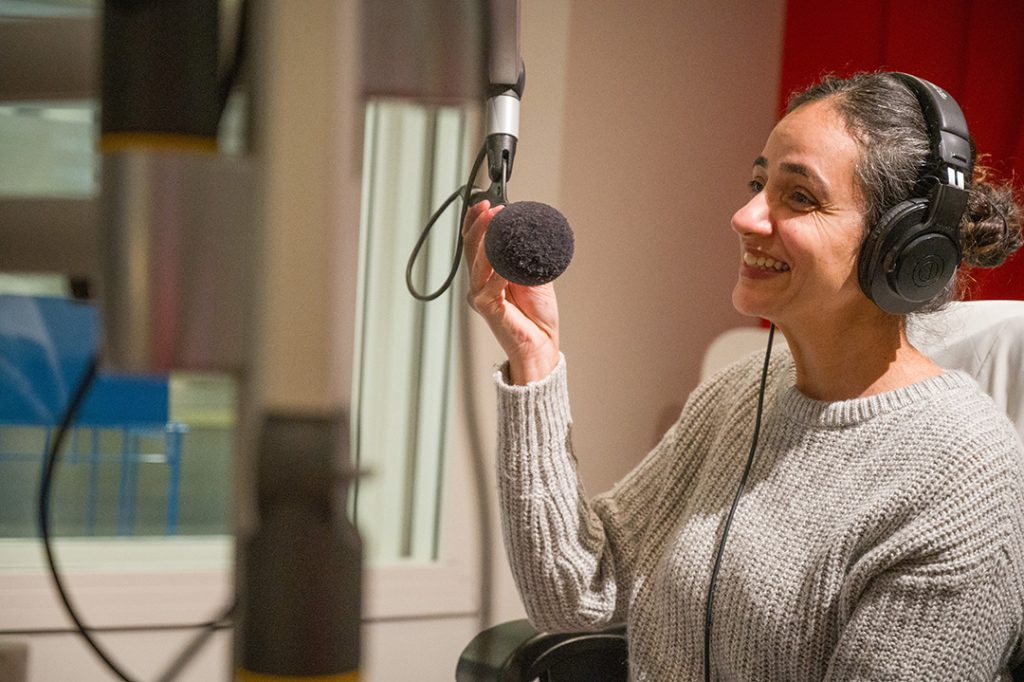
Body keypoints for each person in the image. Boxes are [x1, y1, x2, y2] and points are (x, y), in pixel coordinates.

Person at [462, 71, 1024, 680]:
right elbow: (575, 592)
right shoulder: (738, 395)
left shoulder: (966, 482)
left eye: (799, 197)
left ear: (904, 247)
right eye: (758, 183)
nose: (745, 216)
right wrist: (535, 359)